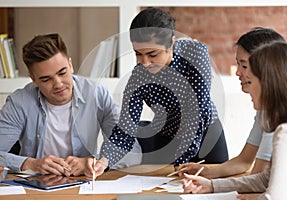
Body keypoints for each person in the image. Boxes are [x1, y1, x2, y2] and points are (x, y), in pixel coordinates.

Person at [86, 7, 228, 178]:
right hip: (167, 137)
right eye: (138, 54)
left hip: (206, 132)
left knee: (218, 187)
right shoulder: (138, 77)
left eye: (152, 54)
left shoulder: (195, 53)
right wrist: (104, 161)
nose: (145, 62)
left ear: (171, 43)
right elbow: (126, 129)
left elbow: (197, 111)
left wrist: (183, 159)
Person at [0, 33, 141, 177]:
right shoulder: (19, 102)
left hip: (82, 185)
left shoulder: (96, 94)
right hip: (34, 186)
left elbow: (132, 151)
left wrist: (96, 161)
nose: (58, 84)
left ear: (70, 65)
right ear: (33, 79)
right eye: (46, 79)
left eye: (62, 72)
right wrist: (30, 164)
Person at [183, 41, 287, 199]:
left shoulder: (286, 132)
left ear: (268, 85)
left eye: (250, 82)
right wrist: (212, 186)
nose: (248, 89)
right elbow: (266, 179)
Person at [177, 28, 286, 178]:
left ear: (267, 67)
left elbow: (259, 176)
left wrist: (213, 187)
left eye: (244, 66)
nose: (237, 72)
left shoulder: (280, 112)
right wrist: (204, 172)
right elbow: (244, 161)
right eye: (238, 64)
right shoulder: (265, 109)